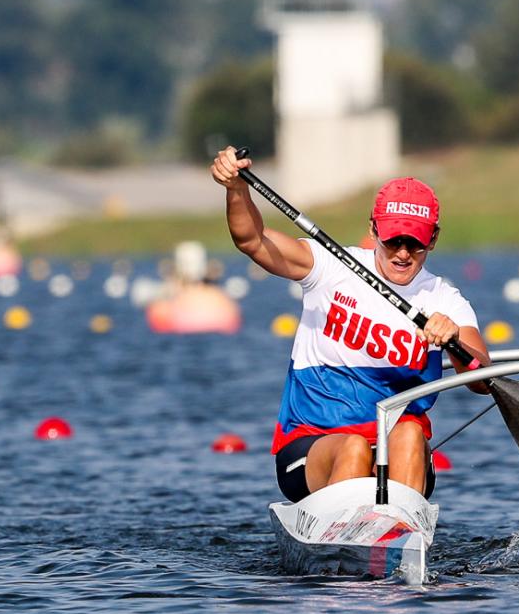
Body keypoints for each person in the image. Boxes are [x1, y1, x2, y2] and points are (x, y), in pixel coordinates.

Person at [210, 146, 490, 502]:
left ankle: (391, 537)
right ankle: (352, 545)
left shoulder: (445, 300)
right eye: (393, 240)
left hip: (398, 452)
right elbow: (251, 240)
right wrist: (236, 189)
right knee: (355, 448)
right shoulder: (329, 267)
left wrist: (453, 341)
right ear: (373, 230)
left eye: (415, 243)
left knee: (407, 434)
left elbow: (483, 381)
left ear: (433, 239)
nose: (403, 253)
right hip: (312, 446)